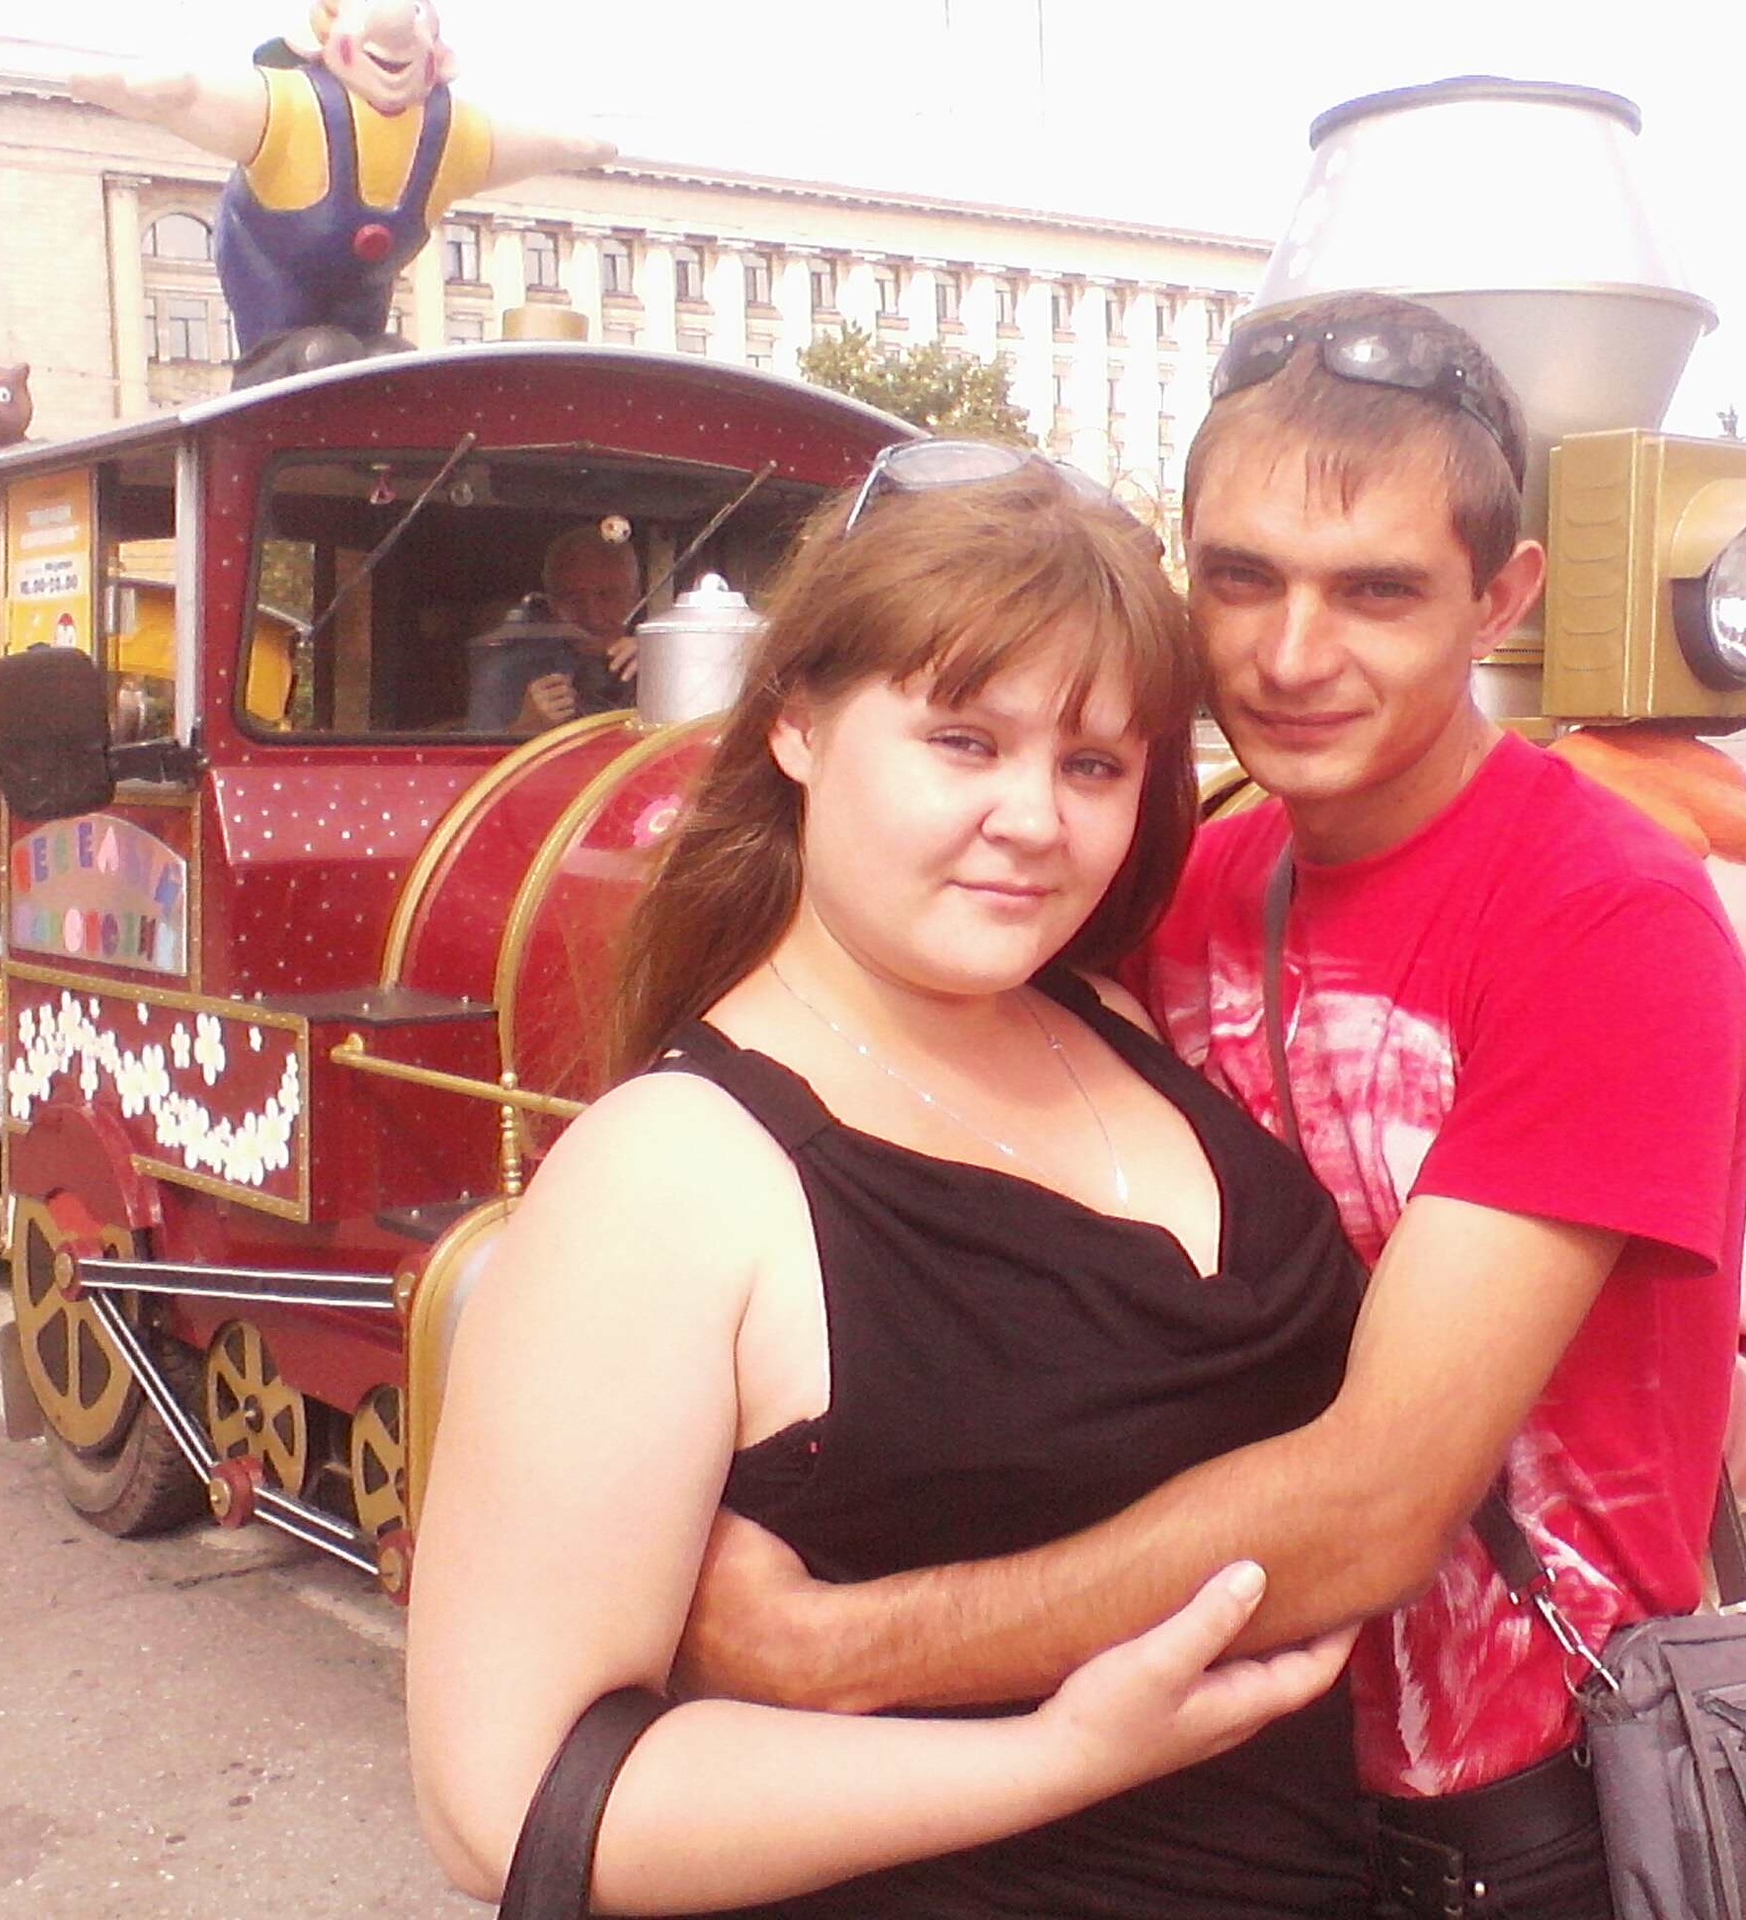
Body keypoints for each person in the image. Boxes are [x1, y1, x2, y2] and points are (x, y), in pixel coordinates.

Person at [678, 291, 1746, 1920]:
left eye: (1378, 591)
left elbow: (1377, 1510)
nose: (1291, 654)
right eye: (1243, 577)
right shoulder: (1166, 889)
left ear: (1502, 598)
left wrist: (836, 1646)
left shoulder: (1604, 922)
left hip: (1501, 1833)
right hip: (1199, 1816)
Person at [406, 448, 1371, 1918]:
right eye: (965, 742)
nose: (1036, 820)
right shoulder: (669, 1179)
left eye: (1094, 765)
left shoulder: (1107, 1015)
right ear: (796, 725)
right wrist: (1051, 1757)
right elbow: (508, 1801)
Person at [514, 523, 643, 731]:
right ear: (552, 605)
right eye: (573, 599)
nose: (593, 617)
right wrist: (525, 729)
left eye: (607, 595)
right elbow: (477, 750)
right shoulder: (511, 670)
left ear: (635, 598)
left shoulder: (662, 659)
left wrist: (661, 667)